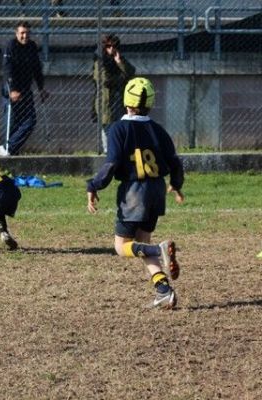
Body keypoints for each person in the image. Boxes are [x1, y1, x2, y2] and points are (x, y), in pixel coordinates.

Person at [86, 77, 185, 309]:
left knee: (121, 247)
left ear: (126, 101)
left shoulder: (118, 128)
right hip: (157, 190)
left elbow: (111, 164)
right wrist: (176, 184)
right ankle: (163, 290)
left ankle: (158, 250)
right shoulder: (158, 130)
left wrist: (93, 185)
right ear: (150, 103)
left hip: (134, 192)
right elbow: (175, 162)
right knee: (141, 242)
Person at [0, 21, 49, 157]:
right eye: (22, 33)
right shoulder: (10, 46)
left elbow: (37, 69)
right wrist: (12, 90)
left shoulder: (32, 47)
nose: (25, 36)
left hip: (26, 90)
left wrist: (41, 88)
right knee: (12, 123)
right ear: (16, 33)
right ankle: (10, 151)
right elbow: (7, 69)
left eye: (27, 33)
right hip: (11, 90)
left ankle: (9, 148)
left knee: (30, 121)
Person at [93, 33, 135, 154]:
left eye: (114, 46)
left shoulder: (119, 59)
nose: (112, 49)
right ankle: (108, 152)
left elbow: (131, 71)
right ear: (104, 47)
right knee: (107, 126)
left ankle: (117, 151)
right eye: (108, 46)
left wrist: (119, 62)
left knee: (120, 125)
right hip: (105, 99)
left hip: (119, 98)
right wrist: (122, 77)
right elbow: (105, 81)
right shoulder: (99, 60)